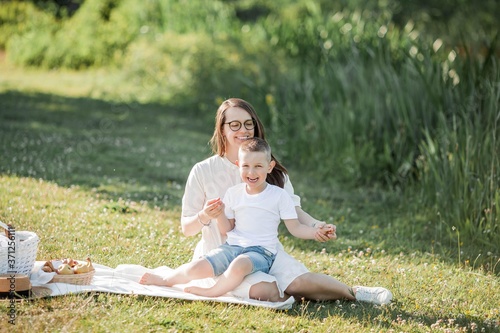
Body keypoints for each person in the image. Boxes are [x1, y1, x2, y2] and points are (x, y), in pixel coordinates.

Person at [155, 98, 392, 304]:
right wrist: (206, 215)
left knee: (301, 282)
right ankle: (284, 291)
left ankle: (354, 293)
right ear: (222, 129)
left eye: (249, 124)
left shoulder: (271, 171)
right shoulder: (203, 170)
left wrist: (316, 225)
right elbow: (187, 228)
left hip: (264, 250)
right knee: (266, 290)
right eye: (234, 125)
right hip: (223, 254)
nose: (243, 130)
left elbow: (294, 211)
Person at [140, 137, 334, 297]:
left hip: (261, 253)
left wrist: (314, 231)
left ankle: (212, 292)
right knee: (198, 266)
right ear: (238, 165)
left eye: (258, 166)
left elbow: (295, 227)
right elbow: (227, 229)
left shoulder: (278, 195)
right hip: (232, 246)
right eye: (246, 166)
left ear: (270, 166)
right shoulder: (234, 193)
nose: (251, 172)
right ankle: (167, 280)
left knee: (239, 265)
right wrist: (217, 215)